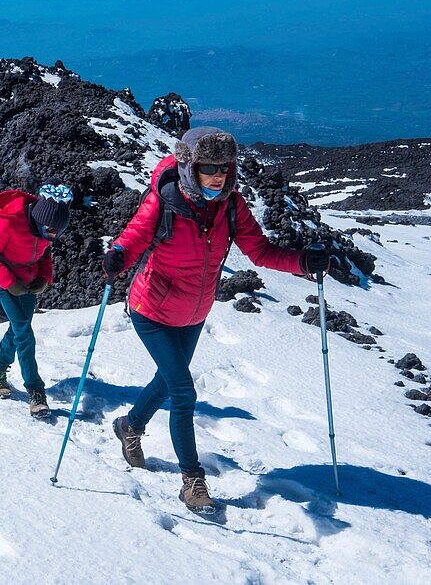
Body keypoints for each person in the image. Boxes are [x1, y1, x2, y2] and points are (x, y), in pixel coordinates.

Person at [102, 127, 330, 513]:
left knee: (166, 382)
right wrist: (118, 255)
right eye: (209, 168)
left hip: (193, 312)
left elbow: (259, 251)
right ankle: (192, 481)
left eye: (224, 167)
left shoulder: (231, 205)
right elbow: (136, 234)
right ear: (191, 166)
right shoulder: (166, 199)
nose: (218, 175)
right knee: (183, 391)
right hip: (152, 310)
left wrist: (303, 263)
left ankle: (130, 426)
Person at [0, 183, 72, 418]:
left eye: (56, 233)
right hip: (4, 281)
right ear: (38, 220)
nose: (52, 237)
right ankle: (35, 390)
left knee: (18, 328)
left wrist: (44, 276)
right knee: (24, 332)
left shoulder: (48, 226)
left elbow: (46, 253)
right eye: (49, 231)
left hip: (29, 281)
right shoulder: (9, 220)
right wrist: (10, 283)